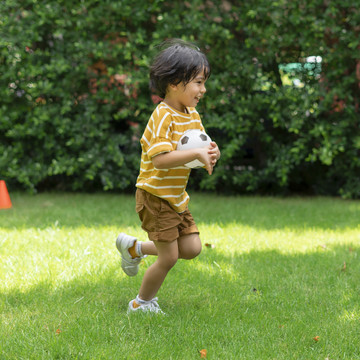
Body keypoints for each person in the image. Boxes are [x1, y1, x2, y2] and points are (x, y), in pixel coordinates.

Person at [116, 39, 221, 314]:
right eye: (198, 82)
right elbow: (160, 160)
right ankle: (141, 303)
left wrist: (210, 153)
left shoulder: (192, 115)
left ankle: (135, 249)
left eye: (203, 82)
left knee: (192, 248)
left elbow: (196, 147)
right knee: (169, 257)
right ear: (175, 82)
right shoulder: (163, 115)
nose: (203, 89)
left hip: (176, 197)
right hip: (155, 196)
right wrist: (195, 155)